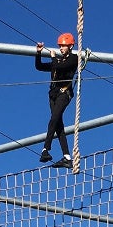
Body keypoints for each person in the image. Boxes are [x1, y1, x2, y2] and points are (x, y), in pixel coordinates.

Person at [34, 33, 79, 167]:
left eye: (63, 46)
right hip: (53, 95)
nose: (61, 48)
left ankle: (45, 149)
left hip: (64, 94)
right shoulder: (58, 61)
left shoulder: (74, 59)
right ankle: (67, 157)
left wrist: (53, 58)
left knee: (54, 119)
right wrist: (38, 53)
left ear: (70, 46)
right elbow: (39, 67)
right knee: (58, 125)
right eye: (60, 46)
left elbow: (60, 67)